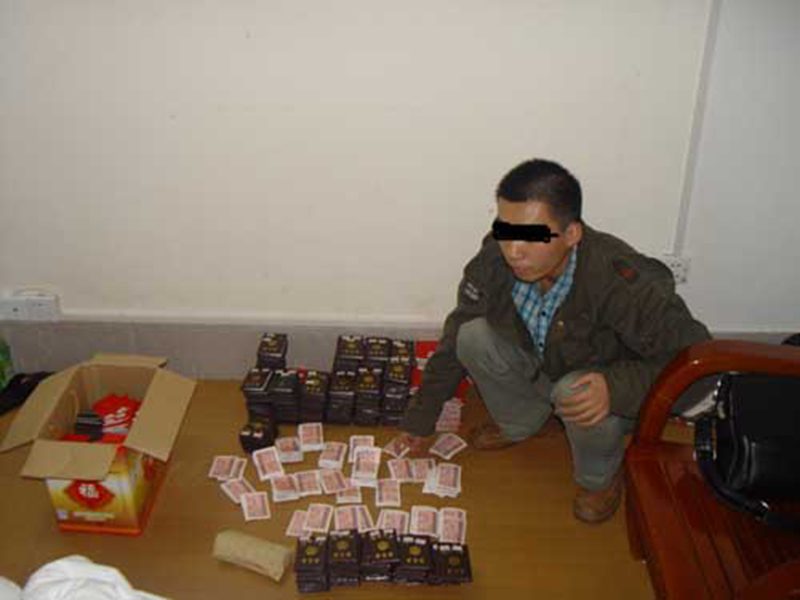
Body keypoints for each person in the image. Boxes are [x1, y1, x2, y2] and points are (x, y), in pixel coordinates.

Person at [399, 158, 711, 523]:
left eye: (533, 236)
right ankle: (526, 422)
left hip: (602, 395)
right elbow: (455, 337)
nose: (514, 251)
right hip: (546, 365)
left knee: (574, 390)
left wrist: (616, 387)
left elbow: (696, 362)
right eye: (506, 231)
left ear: (572, 234)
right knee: (472, 336)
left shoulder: (620, 280)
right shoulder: (494, 258)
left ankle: (599, 478)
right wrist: (421, 418)